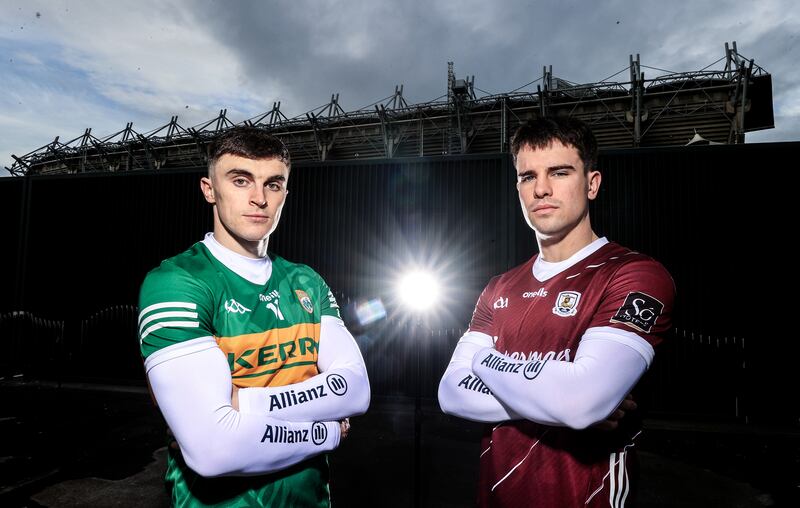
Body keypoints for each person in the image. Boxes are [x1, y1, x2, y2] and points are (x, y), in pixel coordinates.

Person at [438, 117, 675, 507]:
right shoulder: (499, 287)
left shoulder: (634, 274)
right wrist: (559, 400)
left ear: (592, 183)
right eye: (527, 176)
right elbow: (451, 393)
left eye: (559, 172)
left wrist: (483, 362)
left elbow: (580, 401)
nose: (542, 189)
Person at [138, 126, 370, 507]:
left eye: (273, 184)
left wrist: (242, 404)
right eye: (241, 180)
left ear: (285, 194)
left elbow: (355, 389)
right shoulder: (177, 282)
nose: (259, 198)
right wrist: (325, 432)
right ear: (209, 189)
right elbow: (214, 449)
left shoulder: (305, 281)